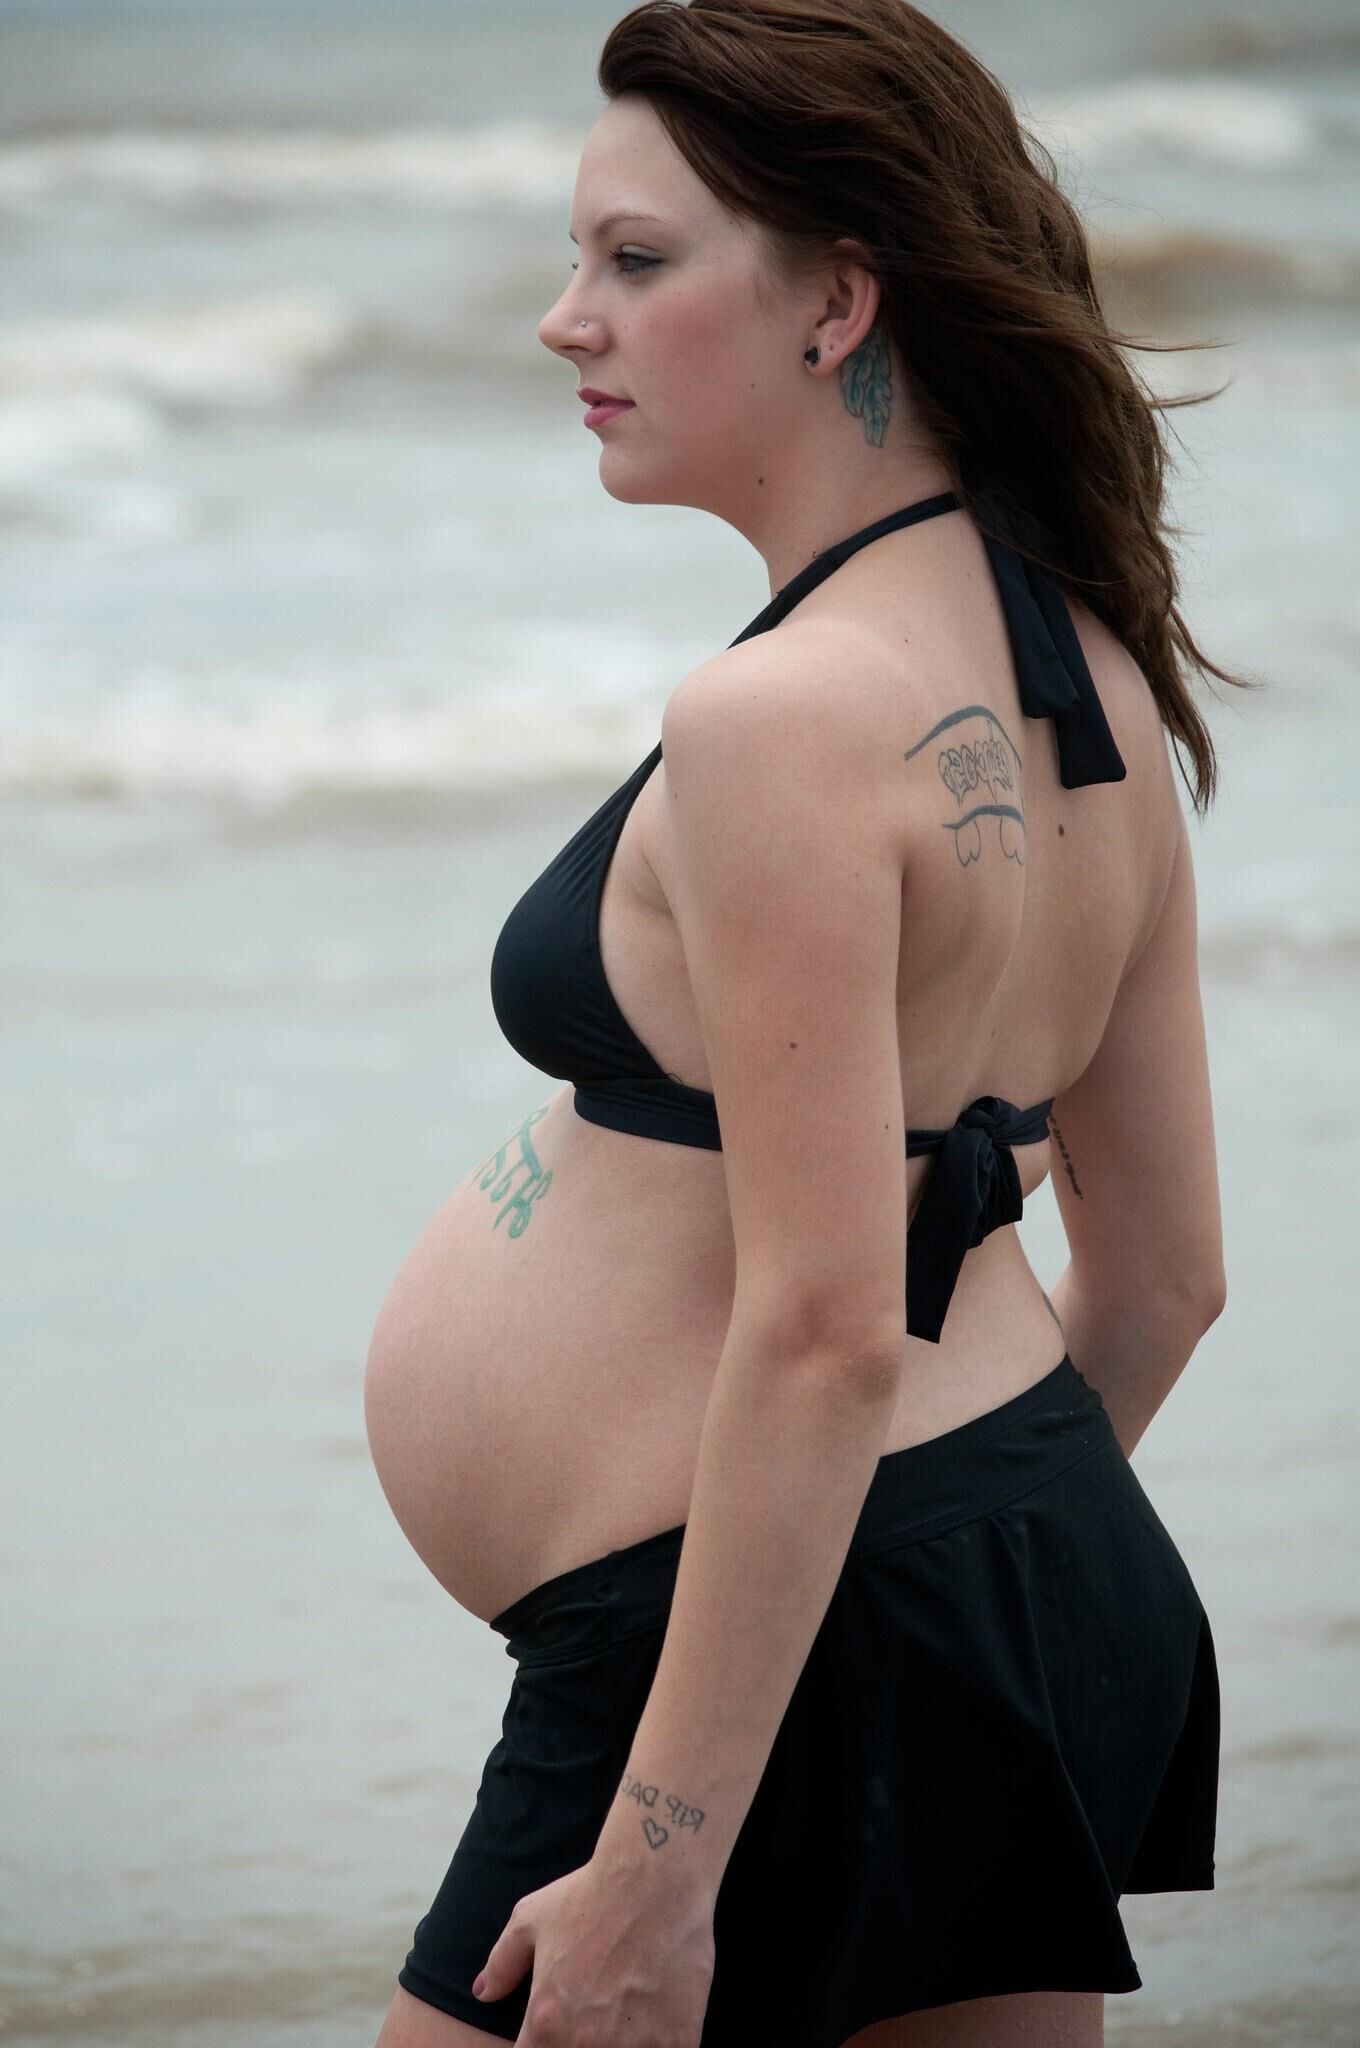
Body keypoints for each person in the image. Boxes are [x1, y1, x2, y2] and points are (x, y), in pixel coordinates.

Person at [370, 3, 1240, 2043]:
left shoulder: (779, 715)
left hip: (753, 1643)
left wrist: (672, 1861)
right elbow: (1171, 1275)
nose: (563, 321)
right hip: (1013, 1564)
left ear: (837, 301)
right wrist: (944, 1585)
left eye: (635, 261)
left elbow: (832, 1318)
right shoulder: (1090, 676)